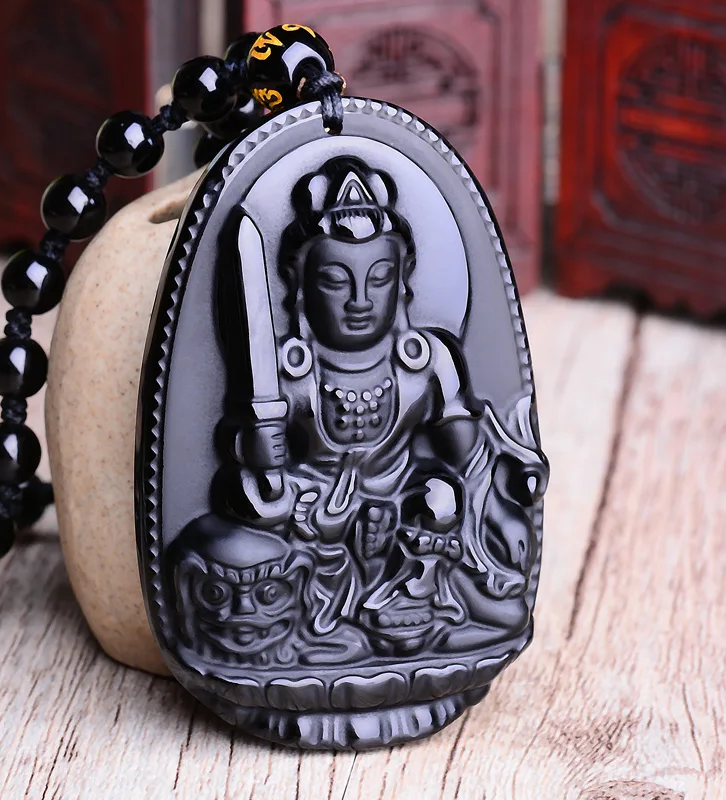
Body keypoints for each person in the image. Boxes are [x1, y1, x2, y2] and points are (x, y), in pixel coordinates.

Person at [215, 155, 549, 658]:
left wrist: (501, 507)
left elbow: (470, 459)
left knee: (443, 498)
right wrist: (257, 451)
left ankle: (420, 611)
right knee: (256, 508)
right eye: (335, 280)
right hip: (316, 514)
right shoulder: (289, 373)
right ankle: (322, 624)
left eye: (378, 278)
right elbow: (251, 469)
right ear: (300, 283)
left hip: (406, 515)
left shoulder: (429, 361)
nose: (359, 300)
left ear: (402, 279)